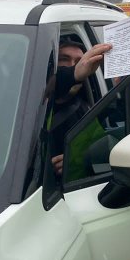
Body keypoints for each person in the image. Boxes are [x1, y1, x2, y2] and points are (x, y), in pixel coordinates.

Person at [50, 39, 111, 176]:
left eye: (80, 61)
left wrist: (78, 162)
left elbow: (102, 154)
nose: (74, 66)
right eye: (64, 59)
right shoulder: (30, 107)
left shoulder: (87, 109)